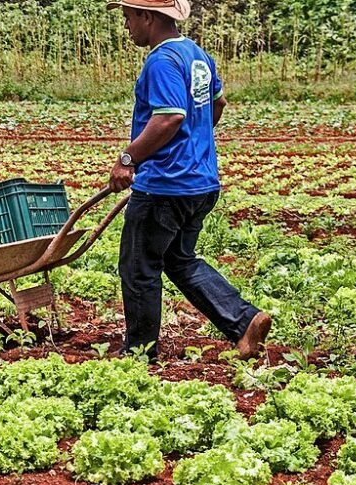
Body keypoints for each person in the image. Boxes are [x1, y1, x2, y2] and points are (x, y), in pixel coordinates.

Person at [106, 0, 271, 361]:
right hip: (200, 182)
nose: (127, 25)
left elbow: (169, 118)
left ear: (147, 17)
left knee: (138, 267)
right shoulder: (198, 56)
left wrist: (128, 159)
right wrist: (194, 144)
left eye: (129, 17)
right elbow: (219, 103)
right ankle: (244, 321)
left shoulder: (161, 61)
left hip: (165, 185)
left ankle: (139, 354)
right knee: (179, 259)